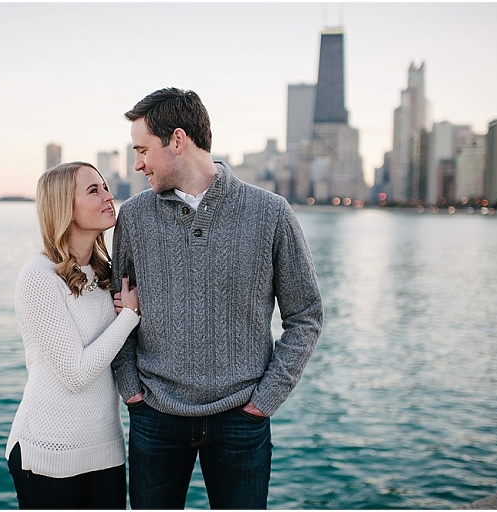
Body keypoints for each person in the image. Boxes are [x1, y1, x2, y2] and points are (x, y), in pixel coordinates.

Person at [111, 88, 323, 509]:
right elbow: (115, 307)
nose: (137, 163)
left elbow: (306, 315)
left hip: (241, 420)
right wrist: (131, 390)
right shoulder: (133, 217)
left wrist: (264, 402)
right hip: (155, 416)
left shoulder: (271, 212)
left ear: (177, 140)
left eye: (142, 149)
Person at [5, 161, 141, 509]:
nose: (109, 196)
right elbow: (76, 374)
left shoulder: (105, 274)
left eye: (105, 187)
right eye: (94, 191)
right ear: (64, 205)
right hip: (49, 451)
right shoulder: (39, 276)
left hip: (106, 449)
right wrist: (129, 316)